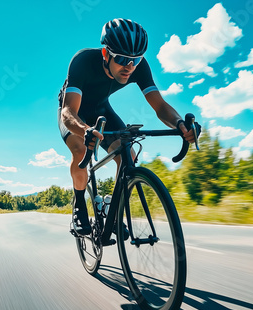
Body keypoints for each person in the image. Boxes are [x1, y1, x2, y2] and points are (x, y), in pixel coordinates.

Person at [58, 18, 197, 235]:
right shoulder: (83, 61)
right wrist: (85, 130)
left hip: (102, 109)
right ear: (106, 54)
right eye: (122, 59)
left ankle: (113, 209)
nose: (129, 67)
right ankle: (79, 204)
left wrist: (180, 124)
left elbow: (159, 106)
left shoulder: (137, 67)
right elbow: (68, 112)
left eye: (136, 59)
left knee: (128, 156)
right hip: (75, 112)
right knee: (81, 150)